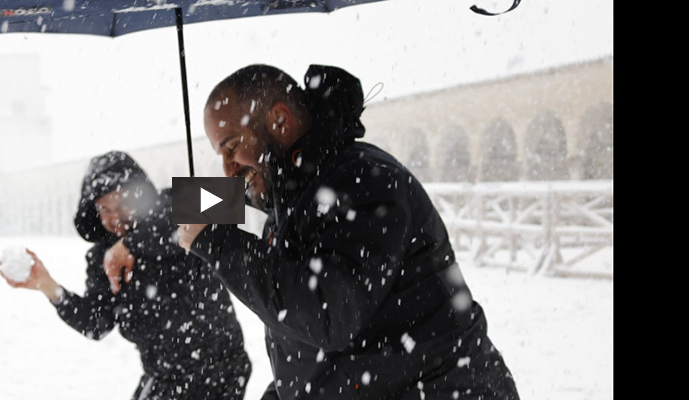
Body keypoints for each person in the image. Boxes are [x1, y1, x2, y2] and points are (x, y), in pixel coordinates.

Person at [175, 65, 520, 399]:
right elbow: (175, 206)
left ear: (279, 120)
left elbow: (328, 314)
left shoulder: (362, 181)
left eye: (231, 146)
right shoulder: (292, 198)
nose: (227, 167)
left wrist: (217, 242)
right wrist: (135, 238)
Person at [2, 150, 252, 400]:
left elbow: (230, 198)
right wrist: (48, 286)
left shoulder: (175, 204)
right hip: (164, 378)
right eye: (104, 210)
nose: (115, 218)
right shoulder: (102, 257)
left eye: (123, 205)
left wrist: (131, 244)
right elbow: (96, 324)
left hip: (220, 371)